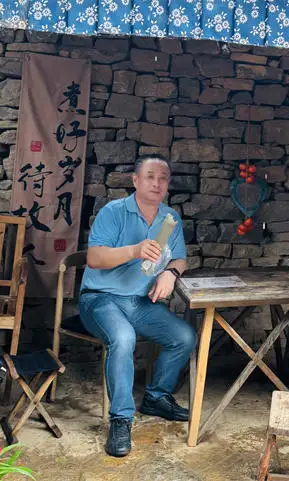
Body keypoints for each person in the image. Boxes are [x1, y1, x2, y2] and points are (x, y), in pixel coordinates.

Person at [79, 154, 196, 457]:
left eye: (163, 178)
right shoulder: (114, 212)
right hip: (100, 298)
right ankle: (121, 419)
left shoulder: (169, 219)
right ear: (135, 180)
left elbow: (179, 258)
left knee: (183, 337)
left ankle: (156, 397)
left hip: (139, 302)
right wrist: (134, 250)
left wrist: (170, 273)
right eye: (150, 177)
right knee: (123, 338)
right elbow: (94, 258)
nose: (157, 183)